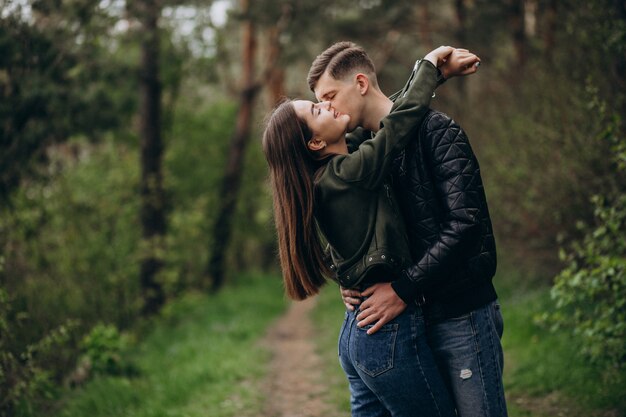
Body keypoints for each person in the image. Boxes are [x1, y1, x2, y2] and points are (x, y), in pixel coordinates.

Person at [263, 45, 479, 416]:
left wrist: (433, 78)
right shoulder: (347, 175)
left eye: (325, 99)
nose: (329, 107)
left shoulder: (331, 173)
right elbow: (398, 126)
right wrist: (428, 66)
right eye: (318, 109)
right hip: (387, 334)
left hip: (358, 334)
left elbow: (384, 114)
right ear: (315, 142)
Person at [308, 41, 508, 417]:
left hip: (460, 315)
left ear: (362, 84)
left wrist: (403, 288)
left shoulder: (438, 131)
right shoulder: (361, 153)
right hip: (407, 325)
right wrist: (351, 277)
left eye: (331, 96)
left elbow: (466, 225)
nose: (329, 108)